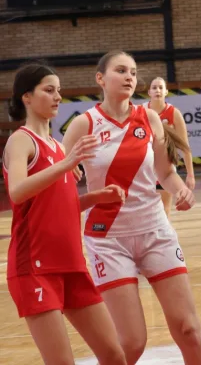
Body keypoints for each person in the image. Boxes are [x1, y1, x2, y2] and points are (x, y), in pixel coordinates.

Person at [62, 51, 201, 365]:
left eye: (133, 72)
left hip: (155, 230)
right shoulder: (83, 125)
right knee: (131, 343)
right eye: (121, 70)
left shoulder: (149, 118)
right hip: (108, 239)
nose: (130, 77)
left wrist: (181, 190)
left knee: (189, 329)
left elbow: (165, 173)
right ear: (100, 78)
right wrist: (71, 175)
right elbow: (61, 184)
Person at [3, 63, 127, 364]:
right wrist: (66, 164)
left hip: (71, 265)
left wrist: (95, 198)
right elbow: (17, 192)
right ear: (26, 97)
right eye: (49, 90)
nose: (58, 96)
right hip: (35, 267)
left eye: (58, 90)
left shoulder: (58, 147)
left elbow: (58, 206)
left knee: (114, 354)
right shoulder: (21, 140)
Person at [144, 76, 195, 217]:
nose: (157, 90)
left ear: (166, 91)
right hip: (145, 166)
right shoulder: (141, 111)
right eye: (154, 87)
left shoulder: (174, 113)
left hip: (165, 164)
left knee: (164, 209)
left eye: (161, 87)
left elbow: (185, 146)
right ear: (149, 92)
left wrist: (190, 174)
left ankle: (164, 231)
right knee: (145, 210)